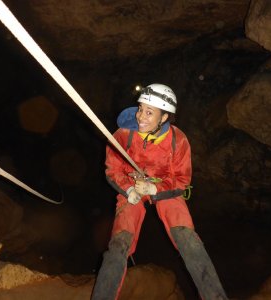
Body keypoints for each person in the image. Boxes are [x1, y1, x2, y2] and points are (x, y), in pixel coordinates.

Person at [91, 83, 228, 300]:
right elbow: (112, 170)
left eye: (149, 112)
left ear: (164, 117)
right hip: (132, 186)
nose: (140, 117)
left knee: (188, 240)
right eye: (140, 109)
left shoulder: (178, 140)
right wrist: (128, 190)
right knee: (118, 245)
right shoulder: (123, 135)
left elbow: (182, 180)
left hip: (165, 189)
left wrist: (155, 188)